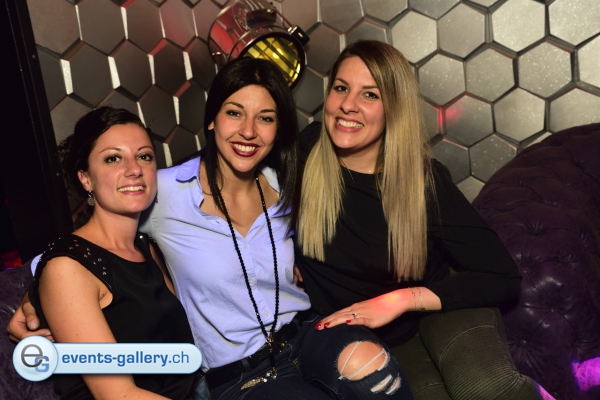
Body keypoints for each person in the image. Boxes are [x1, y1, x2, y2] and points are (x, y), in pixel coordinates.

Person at [9, 57, 414, 400]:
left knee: (380, 375)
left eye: (265, 118)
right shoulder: (160, 191)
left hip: (306, 333)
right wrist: (33, 300)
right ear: (211, 121)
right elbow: (81, 255)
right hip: (241, 373)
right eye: (234, 113)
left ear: (278, 131)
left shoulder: (286, 183)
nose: (248, 131)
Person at [293, 40, 522, 395]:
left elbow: (503, 277)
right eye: (341, 88)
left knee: (488, 388)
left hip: (425, 316)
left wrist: (399, 300)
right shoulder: (306, 150)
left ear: (393, 108)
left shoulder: (423, 182)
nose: (348, 105)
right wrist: (283, 253)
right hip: (349, 340)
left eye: (370, 95)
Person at [26, 107, 199, 399]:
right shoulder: (67, 268)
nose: (134, 169)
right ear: (85, 178)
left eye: (144, 156)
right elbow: (118, 395)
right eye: (113, 158)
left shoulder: (145, 246)